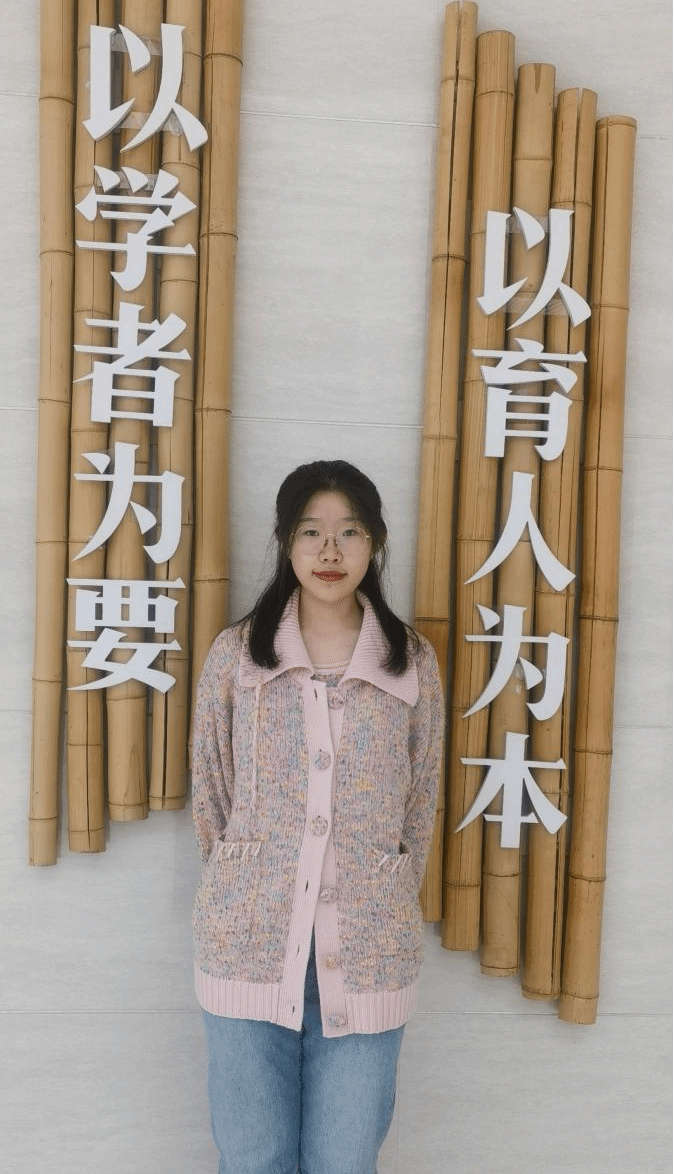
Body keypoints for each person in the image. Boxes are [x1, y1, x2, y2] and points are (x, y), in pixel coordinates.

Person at [191, 459, 444, 1174]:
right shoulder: (238, 657)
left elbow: (419, 801)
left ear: (376, 542)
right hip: (246, 948)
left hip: (369, 956)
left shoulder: (410, 661)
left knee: (346, 1159)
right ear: (285, 542)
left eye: (349, 531)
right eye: (311, 531)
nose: (330, 550)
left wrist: (382, 893)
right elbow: (211, 793)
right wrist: (243, 886)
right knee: (253, 1159)